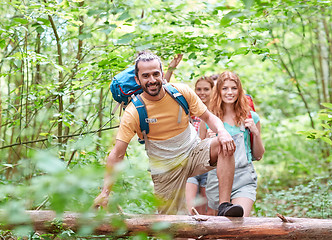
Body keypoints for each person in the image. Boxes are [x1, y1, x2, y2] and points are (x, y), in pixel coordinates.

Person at [94, 51, 244, 216]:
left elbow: (208, 117)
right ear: (137, 79)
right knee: (173, 228)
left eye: (156, 74)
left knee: (225, 143)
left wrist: (222, 132)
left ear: (162, 74)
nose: (152, 80)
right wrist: (105, 192)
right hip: (165, 170)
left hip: (193, 153)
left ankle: (224, 206)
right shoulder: (134, 112)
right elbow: (117, 153)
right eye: (146, 76)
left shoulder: (180, 93)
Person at [199, 71, 265, 217]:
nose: (230, 92)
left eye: (234, 88)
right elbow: (202, 160)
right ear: (218, 91)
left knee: (238, 222)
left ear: (239, 90)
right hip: (216, 180)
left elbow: (259, 155)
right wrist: (208, 142)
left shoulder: (250, 117)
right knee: (220, 229)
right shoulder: (208, 120)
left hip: (244, 178)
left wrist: (255, 132)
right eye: (225, 88)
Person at [186, 76, 214, 215]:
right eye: (199, 89)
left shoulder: (216, 115)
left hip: (209, 166)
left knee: (206, 211)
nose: (202, 92)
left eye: (206, 89)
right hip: (191, 164)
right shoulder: (189, 111)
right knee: (190, 208)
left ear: (213, 91)